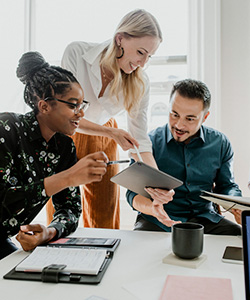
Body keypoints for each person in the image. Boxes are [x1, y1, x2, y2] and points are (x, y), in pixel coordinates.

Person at [46, 9, 162, 229]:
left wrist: (156, 181)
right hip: (64, 133)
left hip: (104, 135)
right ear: (120, 39)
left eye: (149, 56)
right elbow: (65, 114)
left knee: (104, 213)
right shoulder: (76, 53)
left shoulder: (140, 82)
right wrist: (111, 133)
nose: (143, 63)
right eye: (140, 52)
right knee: (59, 209)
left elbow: (140, 139)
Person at [0, 51, 108, 260]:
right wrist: (67, 177)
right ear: (44, 106)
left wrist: (49, 232)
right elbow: (4, 199)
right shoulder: (6, 129)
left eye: (82, 104)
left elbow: (70, 208)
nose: (81, 113)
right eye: (73, 104)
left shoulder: (64, 146)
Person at [126, 79, 242, 235]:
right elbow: (132, 194)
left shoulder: (220, 143)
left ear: (205, 117)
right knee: (140, 251)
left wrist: (238, 206)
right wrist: (153, 209)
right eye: (174, 114)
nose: (179, 125)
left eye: (189, 119)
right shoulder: (148, 143)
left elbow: (227, 186)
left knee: (240, 239)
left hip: (205, 219)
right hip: (158, 220)